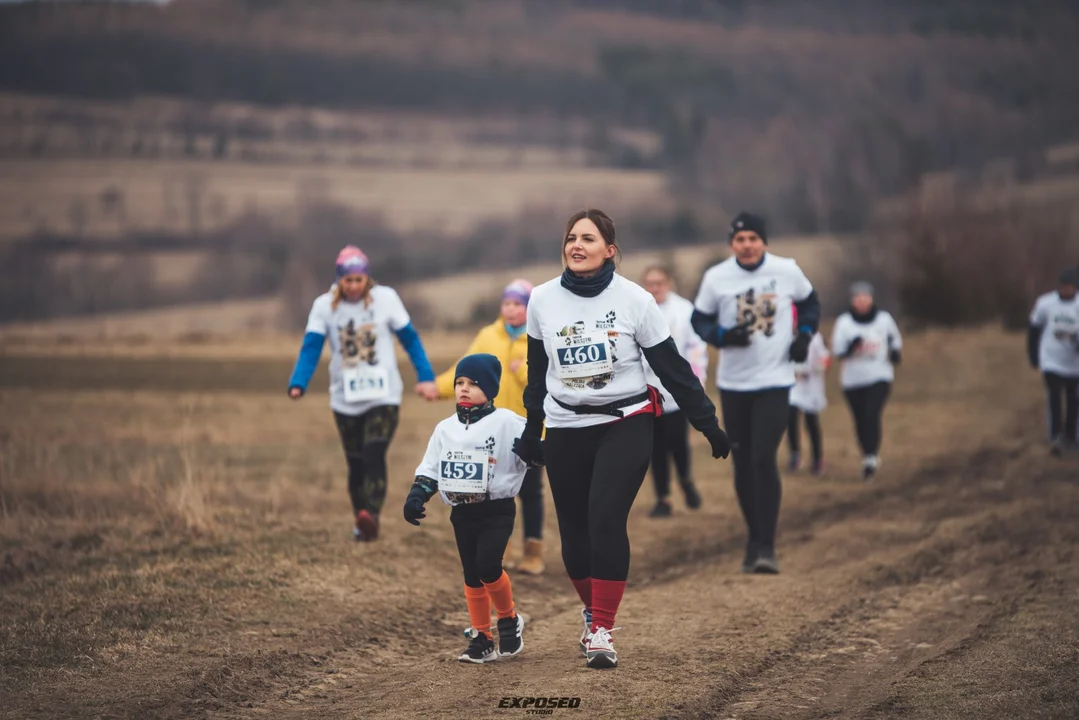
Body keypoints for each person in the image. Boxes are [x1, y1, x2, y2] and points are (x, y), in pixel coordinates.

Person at [512, 208, 730, 670]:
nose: (577, 245)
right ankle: (592, 611)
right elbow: (537, 375)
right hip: (566, 425)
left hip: (626, 421)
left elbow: (674, 368)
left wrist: (706, 422)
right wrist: (534, 431)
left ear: (609, 250)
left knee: (604, 518)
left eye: (588, 239)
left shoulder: (635, 301)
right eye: (571, 237)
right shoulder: (541, 300)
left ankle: (602, 630)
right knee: (573, 532)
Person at [691, 211, 821, 575]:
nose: (747, 245)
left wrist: (805, 336)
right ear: (732, 244)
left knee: (764, 457)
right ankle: (753, 537)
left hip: (776, 381)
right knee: (744, 462)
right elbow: (699, 320)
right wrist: (721, 336)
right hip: (734, 384)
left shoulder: (787, 270)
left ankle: (766, 545)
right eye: (739, 240)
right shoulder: (716, 278)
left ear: (763, 241)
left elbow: (810, 303)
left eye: (753, 238)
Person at [288, 245, 438, 541]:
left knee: (374, 453)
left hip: (384, 395)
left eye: (359, 280)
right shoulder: (323, 306)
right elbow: (312, 346)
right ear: (339, 280)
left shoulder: (387, 300)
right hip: (345, 397)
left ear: (367, 279)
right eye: (348, 281)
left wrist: (426, 376)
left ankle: (372, 512)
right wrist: (298, 381)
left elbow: (410, 339)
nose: (354, 286)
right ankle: (362, 521)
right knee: (355, 461)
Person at [403, 354, 527, 663]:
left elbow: (535, 453)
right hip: (462, 512)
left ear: (491, 388)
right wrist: (417, 495)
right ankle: (482, 637)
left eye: (473, 383)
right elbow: (431, 469)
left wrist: (536, 451)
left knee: (488, 566)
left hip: (497, 509)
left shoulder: (508, 422)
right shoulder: (445, 429)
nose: (464, 389)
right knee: (472, 574)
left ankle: (509, 619)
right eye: (460, 382)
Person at [433, 279, 547, 574]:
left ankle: (533, 550)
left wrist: (522, 370)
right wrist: (437, 387)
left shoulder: (541, 336)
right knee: (493, 491)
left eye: (518, 304)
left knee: (531, 492)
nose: (511, 310)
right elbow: (465, 369)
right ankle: (502, 548)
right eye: (507, 304)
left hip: (528, 430)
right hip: (489, 432)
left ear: (530, 308)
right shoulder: (488, 336)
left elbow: (548, 380)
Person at [640, 266, 709, 517]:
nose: (654, 288)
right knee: (655, 447)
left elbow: (695, 345)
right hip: (647, 389)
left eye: (659, 282)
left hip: (677, 389)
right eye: (649, 283)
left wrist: (697, 377)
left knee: (678, 442)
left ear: (669, 283)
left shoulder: (684, 310)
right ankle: (663, 497)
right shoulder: (639, 309)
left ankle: (686, 481)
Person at [832, 281, 903, 480]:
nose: (862, 301)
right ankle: (867, 453)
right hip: (853, 380)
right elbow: (838, 352)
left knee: (872, 414)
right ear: (852, 301)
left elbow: (894, 338)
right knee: (860, 419)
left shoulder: (883, 319)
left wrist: (896, 352)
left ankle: (871, 457)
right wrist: (851, 347)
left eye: (865, 297)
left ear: (871, 299)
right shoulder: (844, 323)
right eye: (858, 298)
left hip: (879, 375)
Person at [1028, 268, 1079, 456]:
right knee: (1055, 397)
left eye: (1070, 287)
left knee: (1074, 402)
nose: (1066, 289)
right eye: (1063, 286)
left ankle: (1071, 436)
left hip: (1074, 364)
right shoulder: (1045, 303)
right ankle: (1056, 436)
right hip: (1052, 360)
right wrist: (1033, 355)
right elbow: (1034, 329)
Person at [787, 306, 830, 476]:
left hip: (811, 386)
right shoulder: (784, 338)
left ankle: (818, 458)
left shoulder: (815, 338)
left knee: (812, 422)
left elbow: (824, 359)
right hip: (791, 387)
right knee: (790, 419)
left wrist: (817, 368)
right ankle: (795, 454)